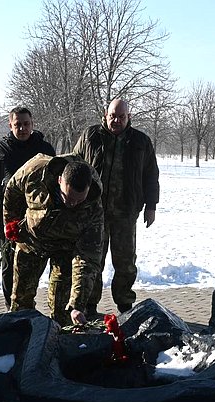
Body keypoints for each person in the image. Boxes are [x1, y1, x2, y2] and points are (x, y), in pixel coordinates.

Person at [72, 98, 159, 317]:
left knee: (125, 262)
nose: (116, 120)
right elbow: (74, 166)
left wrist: (151, 205)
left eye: (121, 116)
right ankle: (90, 305)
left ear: (129, 117)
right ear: (105, 114)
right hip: (94, 213)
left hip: (126, 212)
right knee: (93, 260)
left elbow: (151, 175)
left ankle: (125, 304)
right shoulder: (90, 136)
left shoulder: (141, 141)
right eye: (113, 116)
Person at [3, 154, 103, 327]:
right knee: (21, 302)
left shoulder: (93, 207)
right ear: (59, 181)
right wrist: (12, 222)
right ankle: (21, 341)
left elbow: (88, 258)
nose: (72, 204)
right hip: (31, 242)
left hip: (66, 248)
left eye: (79, 201)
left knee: (63, 309)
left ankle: (59, 342)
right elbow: (12, 189)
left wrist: (77, 305)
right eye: (68, 198)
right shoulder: (36, 171)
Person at [0, 106, 55, 310]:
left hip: (39, 217)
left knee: (35, 263)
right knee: (9, 264)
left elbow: (56, 182)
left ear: (32, 124)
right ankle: (11, 306)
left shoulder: (45, 149)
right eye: (17, 124)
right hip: (9, 216)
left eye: (26, 124)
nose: (22, 128)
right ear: (10, 125)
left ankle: (29, 302)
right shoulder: (0, 149)